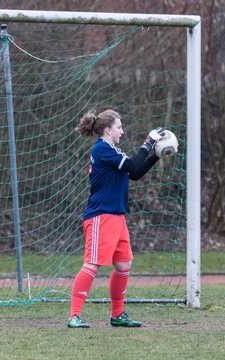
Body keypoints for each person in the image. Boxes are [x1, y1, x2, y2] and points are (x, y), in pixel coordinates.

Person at [67, 109, 165, 328]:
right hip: (101, 215)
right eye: (119, 127)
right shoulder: (102, 148)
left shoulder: (111, 150)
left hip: (116, 217)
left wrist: (156, 154)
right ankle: (74, 315)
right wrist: (149, 142)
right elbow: (131, 165)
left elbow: (135, 173)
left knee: (123, 264)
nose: (122, 131)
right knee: (92, 265)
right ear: (108, 129)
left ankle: (117, 315)